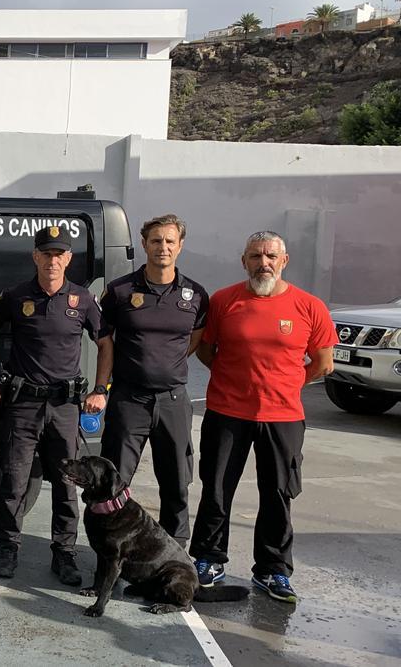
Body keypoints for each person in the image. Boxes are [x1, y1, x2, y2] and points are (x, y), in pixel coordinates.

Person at [190, 231, 335, 604]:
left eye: (271, 255)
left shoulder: (309, 306)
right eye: (255, 256)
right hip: (226, 411)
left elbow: (323, 363)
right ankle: (208, 558)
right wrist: (233, 379)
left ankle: (272, 570)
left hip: (283, 417)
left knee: (278, 494)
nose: (263, 263)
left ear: (284, 260)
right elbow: (205, 351)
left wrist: (286, 384)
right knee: (217, 488)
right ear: (244, 261)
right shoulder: (224, 301)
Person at [0, 224, 111, 586]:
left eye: (59, 254)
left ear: (68, 258)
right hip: (23, 404)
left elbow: (105, 343)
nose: (52, 260)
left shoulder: (82, 299)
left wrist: (101, 387)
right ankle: (8, 547)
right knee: (14, 481)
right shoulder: (17, 295)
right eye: (46, 253)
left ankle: (64, 554)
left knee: (68, 484)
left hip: (65, 407)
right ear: (35, 256)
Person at [97, 214, 209, 548]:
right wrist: (105, 386)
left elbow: (194, 341)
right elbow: (106, 343)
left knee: (176, 482)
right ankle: (109, 555)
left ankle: (174, 554)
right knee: (113, 481)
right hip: (129, 399)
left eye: (170, 241)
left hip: (173, 401)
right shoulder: (119, 291)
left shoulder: (197, 295)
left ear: (180, 246)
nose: (163, 247)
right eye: (156, 241)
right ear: (144, 245)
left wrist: (164, 366)